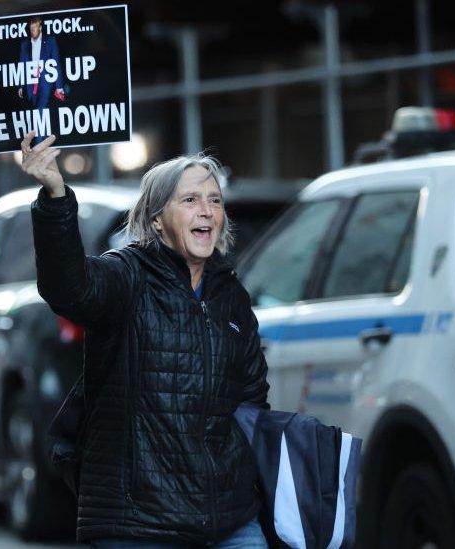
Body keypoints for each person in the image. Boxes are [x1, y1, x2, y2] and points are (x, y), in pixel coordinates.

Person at [23, 131, 270, 548]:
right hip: (137, 521)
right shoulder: (127, 275)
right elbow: (68, 288)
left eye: (214, 200)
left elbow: (252, 402)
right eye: (190, 200)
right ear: (157, 219)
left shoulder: (231, 296)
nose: (206, 210)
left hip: (227, 517)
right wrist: (55, 196)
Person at [17, 15, 65, 144]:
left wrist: (59, 86)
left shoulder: (50, 41)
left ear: (40, 28)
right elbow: (22, 64)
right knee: (34, 109)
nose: (33, 31)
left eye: (35, 28)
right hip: (30, 81)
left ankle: (39, 141)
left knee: (41, 108)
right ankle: (39, 136)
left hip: (45, 81)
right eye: (30, 29)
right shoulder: (25, 44)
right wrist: (21, 85)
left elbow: (56, 63)